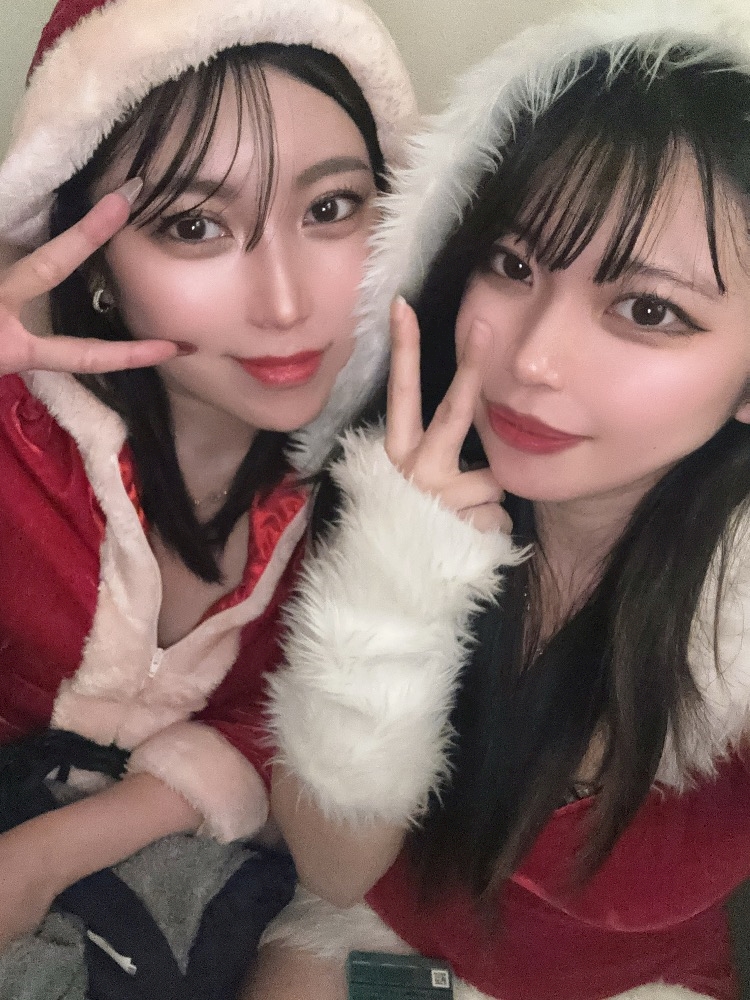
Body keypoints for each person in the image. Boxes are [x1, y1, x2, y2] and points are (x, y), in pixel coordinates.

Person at [248, 0, 750, 998]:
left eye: (648, 308)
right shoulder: (393, 480)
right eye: (515, 266)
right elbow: (334, 870)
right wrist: (398, 580)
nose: (531, 359)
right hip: (380, 934)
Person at [0, 0, 414, 992]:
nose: (285, 303)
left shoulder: (406, 468)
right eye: (195, 225)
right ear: (96, 262)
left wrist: (51, 850)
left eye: (331, 208)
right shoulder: (17, 427)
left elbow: (308, 747)